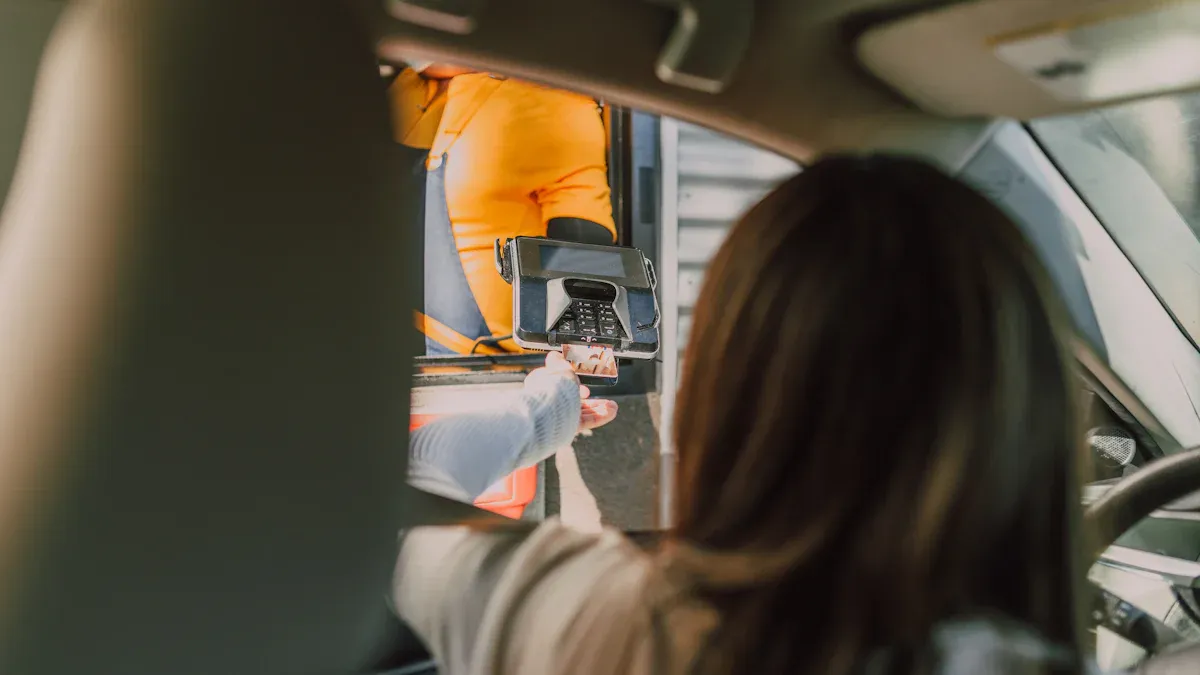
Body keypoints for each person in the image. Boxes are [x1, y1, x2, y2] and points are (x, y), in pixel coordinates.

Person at [394, 155, 1090, 674]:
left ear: (725, 398)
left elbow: (399, 498)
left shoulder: (597, 621)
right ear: (1035, 420)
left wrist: (549, 407)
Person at [390, 62, 617, 356]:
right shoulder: (407, 89)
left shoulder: (553, 104)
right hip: (393, 350)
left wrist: (582, 363)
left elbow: (585, 246)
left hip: (486, 367)